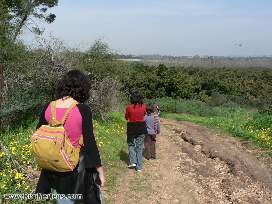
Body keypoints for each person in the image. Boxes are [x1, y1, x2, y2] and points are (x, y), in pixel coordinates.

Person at [35, 69, 105, 204]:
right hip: (74, 170)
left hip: (53, 169)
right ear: (82, 88)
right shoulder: (82, 110)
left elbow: (38, 132)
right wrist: (100, 171)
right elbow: (90, 144)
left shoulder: (48, 107)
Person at [125, 91, 147, 172]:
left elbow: (126, 117)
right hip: (141, 127)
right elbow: (144, 114)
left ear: (132, 98)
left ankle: (133, 161)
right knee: (140, 147)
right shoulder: (144, 106)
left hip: (131, 128)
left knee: (131, 144)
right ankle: (139, 167)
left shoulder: (129, 107)